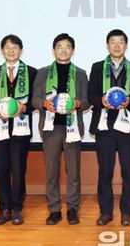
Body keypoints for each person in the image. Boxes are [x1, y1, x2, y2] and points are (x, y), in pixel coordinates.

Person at [32, 33, 89, 225]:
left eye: (67, 47)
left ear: (73, 50)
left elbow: (87, 100)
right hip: (51, 128)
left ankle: (72, 208)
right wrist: (44, 104)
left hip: (72, 127)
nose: (63, 50)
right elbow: (34, 99)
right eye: (59, 46)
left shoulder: (80, 73)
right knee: (51, 172)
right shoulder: (42, 73)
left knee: (73, 172)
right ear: (53, 50)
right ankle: (54, 209)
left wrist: (79, 103)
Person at [88, 29, 130, 226]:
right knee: (105, 171)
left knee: (128, 171)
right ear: (107, 45)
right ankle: (105, 212)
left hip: (127, 126)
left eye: (121, 42)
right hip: (105, 126)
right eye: (113, 42)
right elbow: (91, 94)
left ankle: (126, 212)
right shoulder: (97, 68)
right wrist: (101, 100)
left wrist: (129, 102)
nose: (117, 46)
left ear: (126, 45)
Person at [0, 35, 37, 226]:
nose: (11, 50)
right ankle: (3, 208)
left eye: (15, 47)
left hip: (20, 130)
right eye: (7, 47)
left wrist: (24, 107)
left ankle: (16, 208)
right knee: (1, 171)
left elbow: (35, 100)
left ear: (21, 50)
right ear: (2, 51)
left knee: (18, 169)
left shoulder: (31, 72)